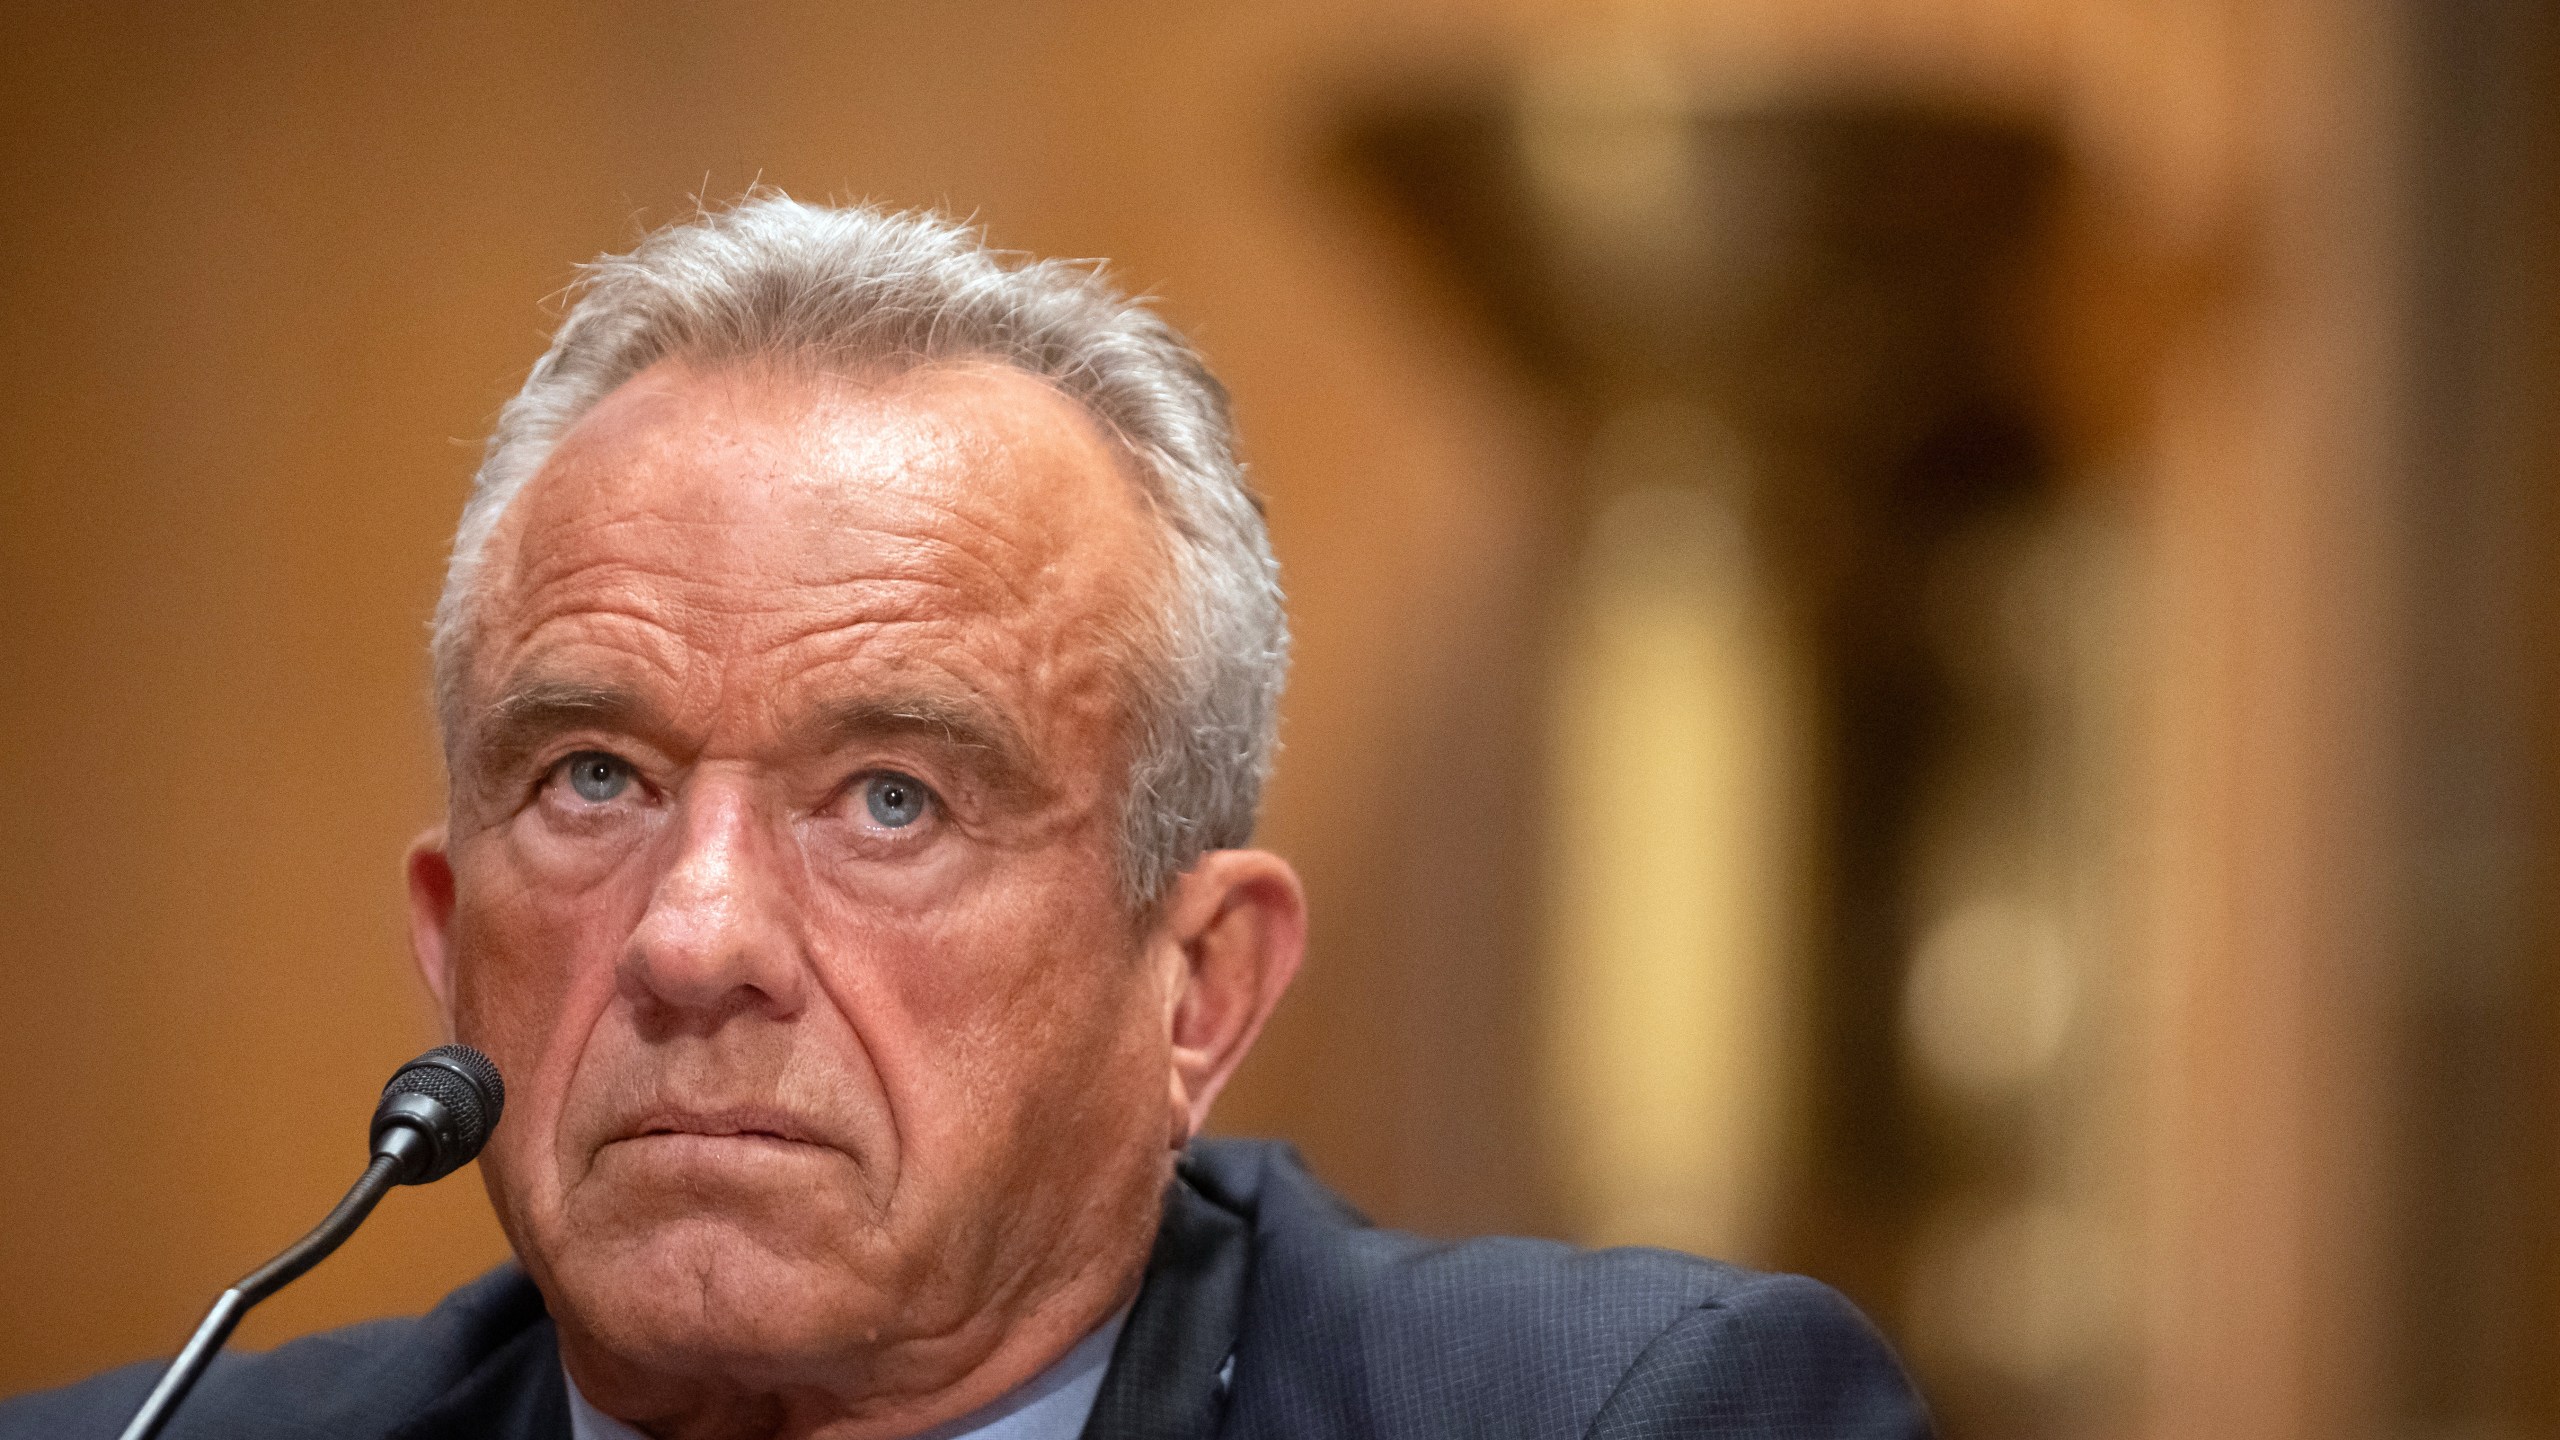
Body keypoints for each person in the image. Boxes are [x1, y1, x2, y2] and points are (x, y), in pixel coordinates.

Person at [1, 196, 1928, 1440]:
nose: (694, 939)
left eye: (893, 800)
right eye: (595, 779)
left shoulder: (1623, 1422)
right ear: (448, 940)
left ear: (1197, 989)